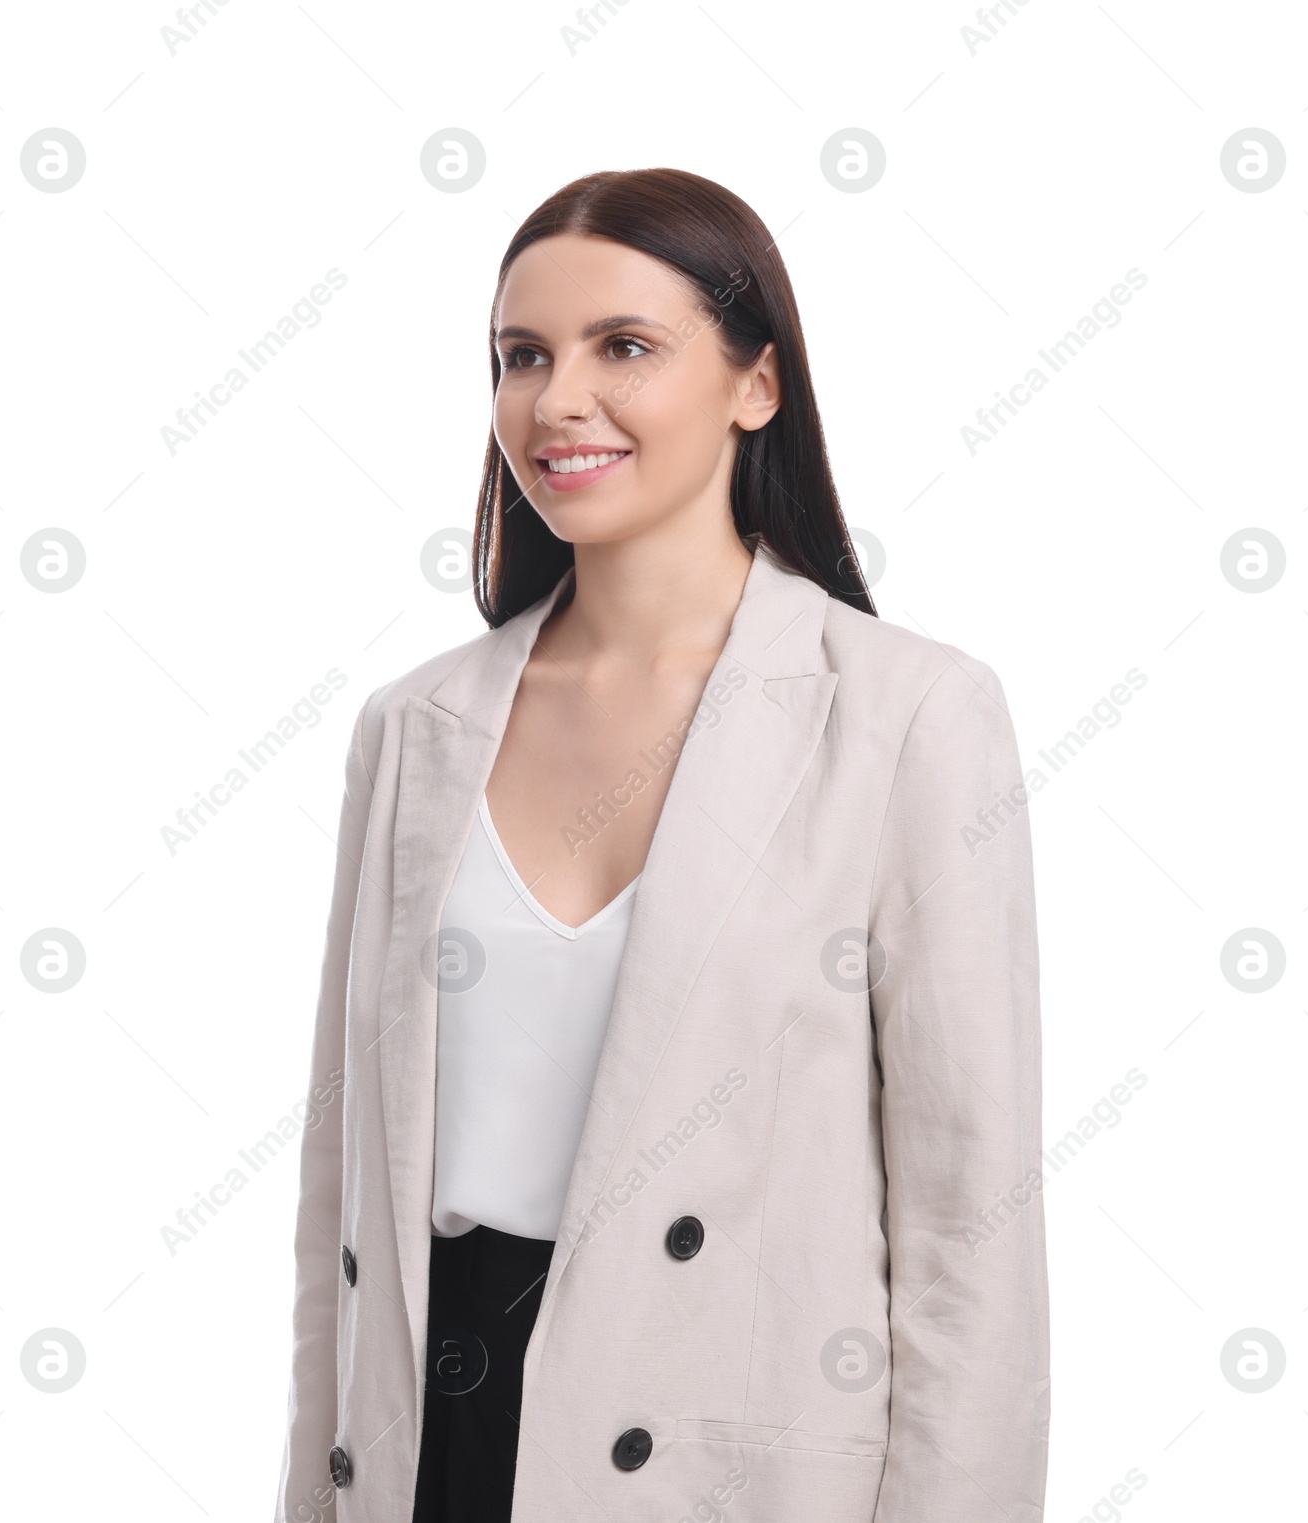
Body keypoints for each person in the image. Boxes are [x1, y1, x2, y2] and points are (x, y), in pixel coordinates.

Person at [273, 167, 1049, 1523]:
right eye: (523, 356)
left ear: (758, 384)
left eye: (623, 347)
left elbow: (967, 1230)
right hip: (437, 1440)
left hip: (725, 1456)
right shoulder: (414, 729)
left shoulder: (909, 715)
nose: (557, 399)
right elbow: (338, 1194)